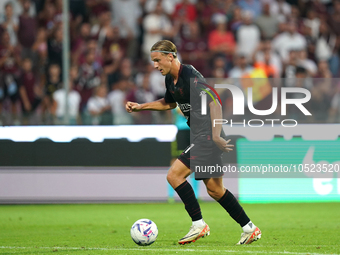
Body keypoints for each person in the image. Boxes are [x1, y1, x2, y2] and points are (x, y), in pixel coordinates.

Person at [125, 40, 261, 245]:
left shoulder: (190, 75)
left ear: (170, 56)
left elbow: (214, 100)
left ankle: (198, 224)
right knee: (215, 189)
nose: (155, 65)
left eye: (157, 60)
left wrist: (215, 135)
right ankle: (249, 228)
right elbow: (169, 103)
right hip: (202, 134)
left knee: (174, 175)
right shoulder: (171, 80)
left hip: (207, 134)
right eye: (153, 61)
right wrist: (140, 107)